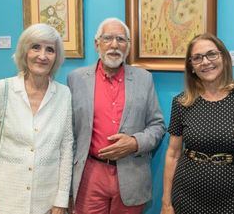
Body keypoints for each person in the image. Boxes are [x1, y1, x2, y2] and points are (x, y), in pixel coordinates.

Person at [161, 33, 234, 214]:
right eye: (197, 58)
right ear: (192, 67)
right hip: (187, 195)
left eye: (211, 54)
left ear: (224, 58)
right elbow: (173, 153)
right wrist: (166, 202)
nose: (205, 62)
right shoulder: (181, 102)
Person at [67, 17, 166, 214]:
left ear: (128, 46)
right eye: (108, 38)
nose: (114, 45)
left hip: (132, 173)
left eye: (121, 39)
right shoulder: (76, 79)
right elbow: (68, 133)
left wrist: (134, 143)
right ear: (97, 44)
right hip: (90, 174)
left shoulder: (143, 78)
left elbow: (158, 126)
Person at [0, 23, 73, 214]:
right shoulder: (2, 90)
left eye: (50, 50)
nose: (42, 55)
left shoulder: (64, 95)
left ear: (56, 57)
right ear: (24, 52)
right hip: (6, 200)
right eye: (35, 47)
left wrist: (61, 200)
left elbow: (66, 149)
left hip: (46, 202)